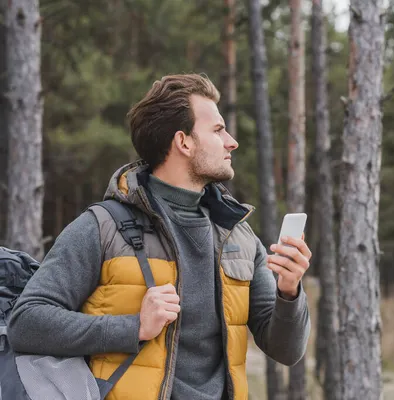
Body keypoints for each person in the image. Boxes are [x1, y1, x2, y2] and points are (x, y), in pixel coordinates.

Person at [7, 74, 311, 400]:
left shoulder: (238, 235)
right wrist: (134, 327)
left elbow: (285, 350)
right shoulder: (102, 227)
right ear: (184, 142)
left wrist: (289, 293)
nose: (232, 141)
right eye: (218, 130)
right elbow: (26, 322)